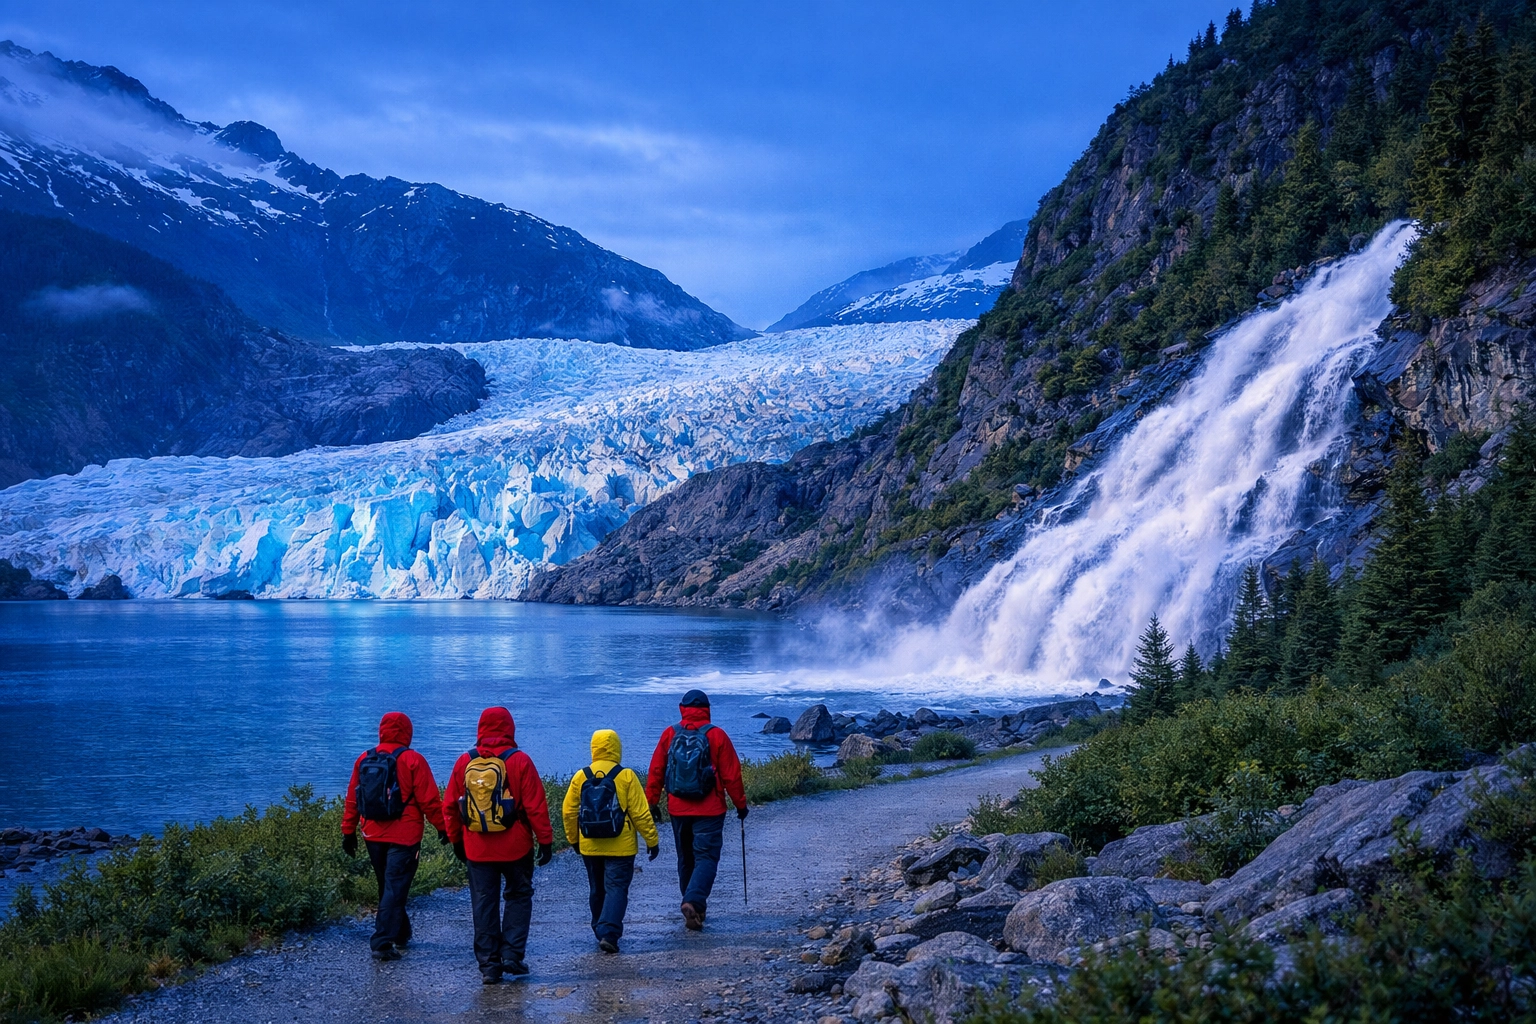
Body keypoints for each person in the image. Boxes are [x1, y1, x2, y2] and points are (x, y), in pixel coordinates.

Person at [441, 706, 553, 984]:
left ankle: (489, 966)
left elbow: (450, 808)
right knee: (518, 895)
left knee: (483, 904)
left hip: (478, 848)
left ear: (480, 729)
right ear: (509, 728)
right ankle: (512, 956)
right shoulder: (520, 761)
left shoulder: (464, 761)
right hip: (516, 846)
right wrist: (546, 841)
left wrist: (456, 841)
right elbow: (536, 806)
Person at [340, 711, 449, 962]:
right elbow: (430, 801)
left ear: (382, 730)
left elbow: (352, 799)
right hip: (405, 835)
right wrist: (443, 828)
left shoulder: (364, 758)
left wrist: (348, 831)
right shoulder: (413, 760)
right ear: (407, 732)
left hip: (372, 833)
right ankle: (381, 941)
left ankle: (400, 932)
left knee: (387, 885)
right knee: (395, 885)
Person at [645, 689, 747, 931]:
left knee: (686, 859)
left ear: (682, 708)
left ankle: (694, 908)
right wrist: (740, 805)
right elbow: (732, 775)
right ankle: (692, 901)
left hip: (678, 808)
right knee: (707, 857)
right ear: (707, 709)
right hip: (710, 809)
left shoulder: (670, 733)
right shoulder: (717, 735)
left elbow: (657, 770)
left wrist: (652, 801)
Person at [561, 729, 661, 953]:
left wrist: (573, 839)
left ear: (593, 748)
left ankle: (599, 927)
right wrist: (651, 840)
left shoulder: (581, 775)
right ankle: (609, 932)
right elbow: (640, 813)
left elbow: (568, 811)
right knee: (616, 888)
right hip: (621, 846)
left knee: (597, 888)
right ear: (617, 747)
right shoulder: (625, 776)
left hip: (589, 844)